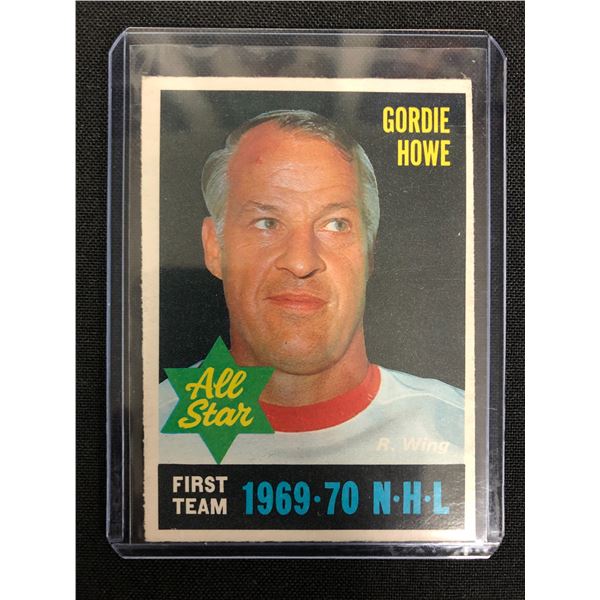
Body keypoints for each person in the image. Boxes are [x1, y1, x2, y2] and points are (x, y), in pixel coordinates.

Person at [159, 110, 464, 464]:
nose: (301, 262)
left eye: (336, 224)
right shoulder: (146, 437)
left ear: (370, 252)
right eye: (267, 222)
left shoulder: (460, 435)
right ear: (215, 248)